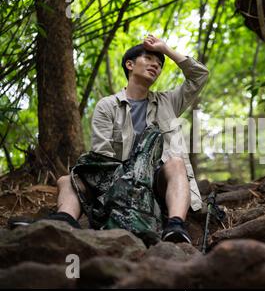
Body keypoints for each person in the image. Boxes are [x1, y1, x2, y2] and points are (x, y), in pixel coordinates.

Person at [10, 34, 209, 244]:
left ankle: (175, 225)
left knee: (176, 163)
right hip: (116, 183)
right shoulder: (107, 106)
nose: (155, 65)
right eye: (149, 59)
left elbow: (200, 76)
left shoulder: (168, 101)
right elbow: (101, 157)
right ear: (129, 65)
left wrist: (166, 49)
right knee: (66, 180)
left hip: (157, 184)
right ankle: (65, 220)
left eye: (159, 64)